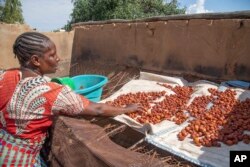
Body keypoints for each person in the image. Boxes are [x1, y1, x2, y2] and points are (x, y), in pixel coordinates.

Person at [0, 32, 143, 166]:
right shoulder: (49, 91)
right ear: (36, 60)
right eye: (52, 55)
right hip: (19, 159)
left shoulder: (6, 75)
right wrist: (125, 109)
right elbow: (97, 109)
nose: (58, 58)